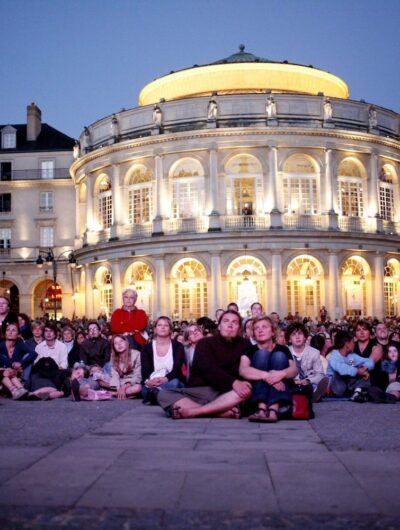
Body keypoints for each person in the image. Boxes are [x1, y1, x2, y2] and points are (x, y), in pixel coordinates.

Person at [157, 310, 252, 419]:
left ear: (239, 328)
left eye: (235, 322)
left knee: (246, 390)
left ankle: (194, 412)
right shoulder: (205, 343)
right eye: (226, 321)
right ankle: (219, 412)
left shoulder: (245, 344)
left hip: (228, 392)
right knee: (163, 394)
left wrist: (236, 384)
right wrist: (234, 382)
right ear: (219, 326)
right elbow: (208, 369)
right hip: (201, 391)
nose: (230, 325)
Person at [239, 316, 297, 422]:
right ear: (254, 334)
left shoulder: (283, 349)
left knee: (278, 356)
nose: (260, 330)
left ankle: (273, 408)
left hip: (282, 402)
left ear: (273, 332)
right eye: (256, 328)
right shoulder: (249, 350)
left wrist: (281, 374)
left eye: (264, 327)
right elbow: (243, 370)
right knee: (262, 355)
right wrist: (267, 376)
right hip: (255, 399)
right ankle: (261, 408)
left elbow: (294, 370)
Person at [141, 316, 186, 404]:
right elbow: (145, 370)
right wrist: (149, 381)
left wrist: (166, 378)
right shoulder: (147, 348)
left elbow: (177, 369)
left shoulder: (178, 346)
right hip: (153, 382)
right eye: (159, 325)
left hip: (171, 380)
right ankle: (161, 396)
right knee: (144, 388)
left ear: (170, 330)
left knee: (175, 383)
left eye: (166, 325)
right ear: (155, 329)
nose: (163, 327)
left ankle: (156, 396)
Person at [286, 322, 329, 402]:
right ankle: (305, 395)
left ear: (305, 337)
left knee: (316, 382)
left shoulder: (314, 352)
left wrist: (308, 380)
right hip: (292, 382)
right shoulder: (285, 352)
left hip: (308, 381)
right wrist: (294, 381)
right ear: (289, 339)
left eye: (300, 334)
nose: (297, 337)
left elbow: (320, 373)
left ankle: (314, 393)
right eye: (293, 334)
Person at [327, 330, 374, 401]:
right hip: (336, 384)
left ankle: (357, 392)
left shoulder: (351, 356)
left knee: (365, 374)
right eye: (352, 342)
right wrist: (357, 371)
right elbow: (341, 369)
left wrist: (364, 368)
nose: (354, 344)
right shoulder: (334, 355)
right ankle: (327, 391)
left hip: (348, 383)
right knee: (338, 373)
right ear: (347, 344)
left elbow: (369, 361)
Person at [0, 322, 37, 398]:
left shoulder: (19, 344)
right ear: (5, 333)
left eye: (13, 330)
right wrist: (12, 366)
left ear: (18, 334)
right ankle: (18, 390)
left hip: (16, 374)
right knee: (5, 371)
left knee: (28, 356)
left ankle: (20, 390)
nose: (10, 332)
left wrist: (21, 363)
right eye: (8, 330)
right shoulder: (1, 345)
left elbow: (34, 353)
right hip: (4, 374)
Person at [108, 335, 142, 400]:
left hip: (131, 382)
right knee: (103, 381)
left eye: (121, 341)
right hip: (119, 382)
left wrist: (124, 387)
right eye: (116, 343)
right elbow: (114, 376)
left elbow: (138, 376)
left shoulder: (137, 354)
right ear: (114, 347)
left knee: (138, 388)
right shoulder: (113, 356)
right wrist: (116, 388)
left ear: (127, 343)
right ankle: (120, 394)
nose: (119, 344)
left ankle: (116, 394)